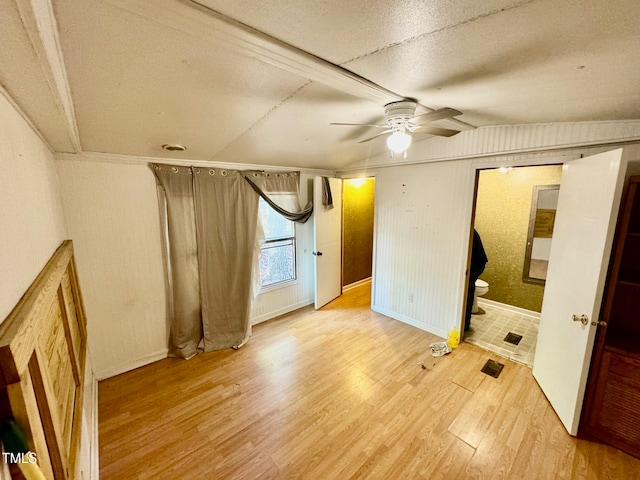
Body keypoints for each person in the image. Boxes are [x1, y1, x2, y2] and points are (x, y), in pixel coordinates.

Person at [465, 229, 488, 332]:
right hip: (478, 262)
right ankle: (464, 323)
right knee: (468, 291)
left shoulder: (467, 229)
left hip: (476, 264)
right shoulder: (469, 229)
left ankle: (464, 324)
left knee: (467, 292)